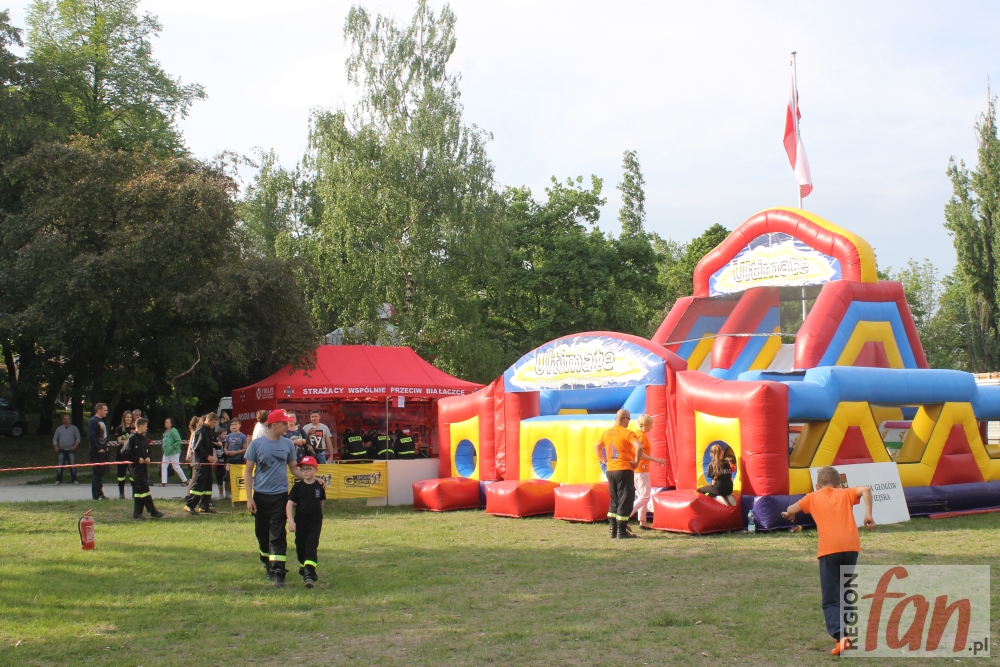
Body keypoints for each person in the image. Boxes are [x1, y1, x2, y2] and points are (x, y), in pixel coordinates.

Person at [782, 466, 875, 656]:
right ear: (839, 484)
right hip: (851, 547)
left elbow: (791, 508)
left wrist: (790, 513)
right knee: (845, 587)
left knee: (830, 596)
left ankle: (841, 636)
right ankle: (847, 629)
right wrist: (868, 514)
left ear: (817, 486)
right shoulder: (845, 493)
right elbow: (866, 489)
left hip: (829, 550)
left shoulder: (812, 497)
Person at [245, 409, 313, 588]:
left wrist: (312, 479)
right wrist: (249, 498)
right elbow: (248, 471)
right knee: (262, 533)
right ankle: (267, 561)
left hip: (280, 496)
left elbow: (294, 469)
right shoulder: (256, 444)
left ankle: (279, 572)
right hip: (260, 496)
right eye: (284, 424)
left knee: (277, 534)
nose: (288, 426)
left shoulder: (288, 444)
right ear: (274, 425)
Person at [594, 409, 660, 539]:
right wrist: (636, 461)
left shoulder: (606, 433)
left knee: (614, 500)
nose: (629, 422)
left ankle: (613, 530)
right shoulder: (628, 433)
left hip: (610, 470)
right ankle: (622, 532)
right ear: (625, 419)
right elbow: (639, 448)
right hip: (624, 469)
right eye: (628, 419)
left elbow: (597, 446)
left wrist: (604, 461)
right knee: (625, 500)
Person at [286, 455, 325, 588]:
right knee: (301, 546)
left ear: (316, 470)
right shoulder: (298, 487)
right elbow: (290, 504)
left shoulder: (319, 486)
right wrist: (291, 521)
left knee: (311, 547)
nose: (305, 472)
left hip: (315, 522)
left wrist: (319, 516)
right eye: (302, 469)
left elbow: (321, 503)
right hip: (300, 521)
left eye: (308, 469)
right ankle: (304, 566)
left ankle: (310, 576)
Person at [630, 415, 666, 529]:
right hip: (641, 469)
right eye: (651, 424)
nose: (652, 427)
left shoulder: (638, 434)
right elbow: (639, 454)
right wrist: (657, 460)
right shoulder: (640, 436)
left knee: (642, 495)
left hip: (640, 469)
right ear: (645, 425)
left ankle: (642, 521)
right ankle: (624, 517)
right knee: (645, 496)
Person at [125, 418, 164, 519]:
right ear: (141, 426)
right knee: (145, 488)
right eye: (145, 426)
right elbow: (125, 451)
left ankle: (137, 513)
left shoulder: (143, 439)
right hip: (135, 468)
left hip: (143, 467)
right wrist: (137, 459)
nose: (146, 428)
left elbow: (149, 452)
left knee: (139, 491)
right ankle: (152, 511)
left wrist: (149, 458)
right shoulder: (132, 438)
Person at [184, 413, 219, 514]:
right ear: (208, 420)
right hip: (201, 462)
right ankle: (189, 505)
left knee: (208, 484)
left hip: (208, 462)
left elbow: (211, 443)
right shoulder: (201, 431)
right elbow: (197, 448)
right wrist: (208, 456)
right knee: (199, 484)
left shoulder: (209, 430)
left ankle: (204, 506)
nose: (214, 424)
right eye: (213, 422)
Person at [87, 403, 110, 500]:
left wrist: (105, 447)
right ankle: (98, 494)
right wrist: (98, 448)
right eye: (105, 410)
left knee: (100, 473)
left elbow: (103, 436)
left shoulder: (101, 421)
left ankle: (98, 494)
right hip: (96, 452)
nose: (106, 412)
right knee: (97, 473)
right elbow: (91, 436)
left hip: (102, 450)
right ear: (99, 410)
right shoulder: (93, 421)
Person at [52, 413, 80, 485]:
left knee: (73, 465)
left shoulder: (74, 428)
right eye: (67, 419)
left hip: (71, 449)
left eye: (69, 418)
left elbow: (78, 438)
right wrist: (56, 446)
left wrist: (75, 446)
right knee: (60, 465)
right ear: (63, 420)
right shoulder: (59, 429)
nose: (69, 420)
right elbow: (55, 438)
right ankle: (58, 480)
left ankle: (74, 479)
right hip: (62, 449)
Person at [160, 417, 188, 486]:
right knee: (164, 466)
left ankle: (185, 480)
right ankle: (164, 482)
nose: (165, 423)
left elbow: (178, 441)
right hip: (166, 452)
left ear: (171, 424)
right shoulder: (166, 432)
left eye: (167, 422)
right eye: (165, 422)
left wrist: (172, 447)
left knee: (176, 466)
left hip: (174, 452)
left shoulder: (174, 431)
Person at [223, 419, 248, 498]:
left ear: (239, 425)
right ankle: (227, 493)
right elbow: (225, 447)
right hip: (229, 459)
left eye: (235, 424)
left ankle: (237, 493)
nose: (233, 426)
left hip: (239, 459)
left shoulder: (242, 436)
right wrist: (226, 451)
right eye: (232, 424)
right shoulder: (229, 436)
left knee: (238, 477)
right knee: (227, 476)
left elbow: (245, 449)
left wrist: (235, 452)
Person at [114, 411, 135, 499]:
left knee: (132, 474)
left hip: (132, 454)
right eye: (127, 417)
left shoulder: (134, 428)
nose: (129, 419)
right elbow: (119, 441)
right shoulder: (119, 429)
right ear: (124, 418)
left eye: (130, 417)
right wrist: (129, 441)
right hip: (121, 454)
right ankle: (121, 493)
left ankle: (134, 493)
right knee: (121, 474)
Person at [212, 430, 228, 499]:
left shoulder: (227, 443)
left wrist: (226, 463)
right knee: (219, 478)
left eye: (226, 434)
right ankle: (221, 494)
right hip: (217, 464)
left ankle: (227, 493)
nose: (225, 436)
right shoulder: (214, 443)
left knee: (227, 478)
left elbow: (228, 454)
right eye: (223, 434)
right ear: (219, 435)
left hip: (225, 462)